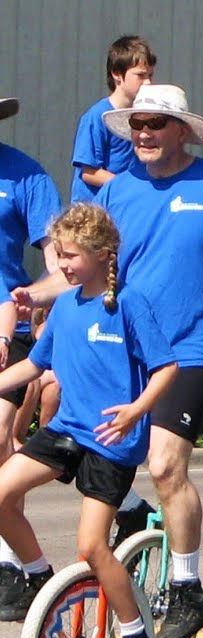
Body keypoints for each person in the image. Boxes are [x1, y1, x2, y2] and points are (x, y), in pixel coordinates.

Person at [13, 85, 203, 638]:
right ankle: (129, 516)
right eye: (137, 124)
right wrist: (36, 293)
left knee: (166, 462)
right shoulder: (117, 191)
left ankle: (186, 587)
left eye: (156, 123)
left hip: (193, 349)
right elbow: (82, 268)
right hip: (129, 350)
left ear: (182, 131)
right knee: (85, 444)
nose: (145, 133)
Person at [0, 203, 176, 638]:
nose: (62, 265)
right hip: (68, 429)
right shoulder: (65, 307)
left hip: (111, 440)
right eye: (59, 255)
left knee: (92, 547)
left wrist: (136, 410)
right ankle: (37, 577)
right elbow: (34, 366)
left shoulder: (129, 304)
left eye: (71, 256)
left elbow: (166, 368)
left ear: (103, 255)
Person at [0, 98, 64, 582]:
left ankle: (10, 561)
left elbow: (59, 259)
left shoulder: (26, 175)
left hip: (7, 325)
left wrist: (39, 299)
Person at [70, 36, 157, 202]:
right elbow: (89, 173)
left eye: (150, 75)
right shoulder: (97, 116)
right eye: (140, 75)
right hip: (95, 209)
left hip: (126, 205)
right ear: (117, 74)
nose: (147, 83)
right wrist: (129, 187)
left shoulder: (146, 116)